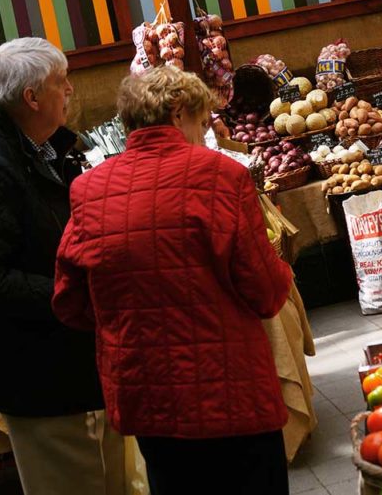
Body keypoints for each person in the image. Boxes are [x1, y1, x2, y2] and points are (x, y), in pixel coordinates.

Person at [53, 66, 293, 495]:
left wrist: (126, 319)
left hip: (147, 394)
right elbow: (266, 290)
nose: (204, 134)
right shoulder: (223, 176)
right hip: (231, 389)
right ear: (179, 113)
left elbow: (69, 299)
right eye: (202, 122)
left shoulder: (89, 190)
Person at [0, 38, 124, 495]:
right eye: (61, 82)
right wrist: (73, 295)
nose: (70, 91)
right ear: (32, 97)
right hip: (37, 375)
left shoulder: (42, 148)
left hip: (70, 360)